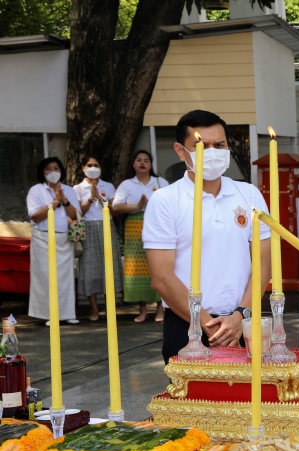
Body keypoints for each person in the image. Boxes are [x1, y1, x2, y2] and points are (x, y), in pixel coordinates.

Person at [143, 110, 271, 364]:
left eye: (219, 145)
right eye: (201, 145)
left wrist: (240, 316)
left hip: (243, 321)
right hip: (186, 324)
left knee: (250, 401)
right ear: (181, 151)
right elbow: (161, 277)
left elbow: (264, 263)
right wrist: (209, 325)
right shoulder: (166, 200)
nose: (212, 151)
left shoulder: (249, 194)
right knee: (193, 402)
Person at [112, 150, 169, 322]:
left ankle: (160, 309)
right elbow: (116, 207)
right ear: (134, 164)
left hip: (158, 226)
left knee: (159, 266)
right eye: (139, 160)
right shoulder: (127, 185)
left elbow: (171, 204)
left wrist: (152, 206)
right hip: (134, 229)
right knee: (137, 269)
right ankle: (143, 310)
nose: (142, 163)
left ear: (151, 165)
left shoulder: (161, 182)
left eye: (146, 160)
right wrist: (136, 206)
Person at [26, 157, 80, 324]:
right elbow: (35, 216)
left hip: (64, 238)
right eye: (48, 168)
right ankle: (50, 314)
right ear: (43, 172)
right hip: (43, 237)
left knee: (66, 277)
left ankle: (68, 314)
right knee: (45, 277)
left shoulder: (69, 190)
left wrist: (64, 200)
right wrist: (55, 202)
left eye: (56, 168)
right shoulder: (35, 190)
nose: (53, 172)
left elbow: (75, 216)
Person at [73, 155, 122, 322]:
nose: (92, 167)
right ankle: (94, 308)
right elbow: (79, 212)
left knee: (110, 266)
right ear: (83, 168)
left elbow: (114, 211)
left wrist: (102, 199)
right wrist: (90, 198)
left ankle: (110, 308)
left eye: (96, 165)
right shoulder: (77, 188)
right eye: (89, 165)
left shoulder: (108, 186)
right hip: (88, 228)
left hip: (106, 226)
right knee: (90, 268)